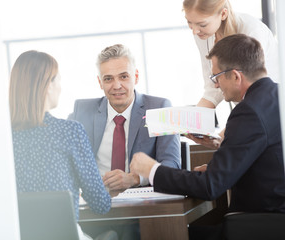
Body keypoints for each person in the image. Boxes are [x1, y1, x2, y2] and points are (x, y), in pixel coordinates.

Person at [130, 34, 285, 239]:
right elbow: (268, 157)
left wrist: (152, 170)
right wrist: (221, 153)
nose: (216, 86)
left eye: (216, 77)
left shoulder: (248, 111)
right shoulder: (276, 97)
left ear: (236, 76)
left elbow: (210, 185)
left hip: (257, 224)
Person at [9, 50, 112, 240]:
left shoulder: (3, 139)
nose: (60, 88)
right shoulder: (69, 132)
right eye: (58, 81)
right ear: (47, 85)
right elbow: (100, 204)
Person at [68, 44, 181, 192]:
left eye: (124, 76)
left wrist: (135, 179)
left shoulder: (159, 108)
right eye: (108, 79)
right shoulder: (82, 111)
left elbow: (171, 164)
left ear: (136, 77)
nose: (117, 85)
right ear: (100, 82)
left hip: (143, 201)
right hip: (95, 201)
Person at [183, 0, 279, 149]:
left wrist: (222, 138)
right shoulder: (203, 34)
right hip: (249, 112)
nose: (195, 31)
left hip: (270, 114)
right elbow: (212, 85)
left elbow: (257, 102)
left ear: (223, 13)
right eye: (189, 22)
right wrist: (191, 124)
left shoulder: (251, 32)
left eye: (202, 24)